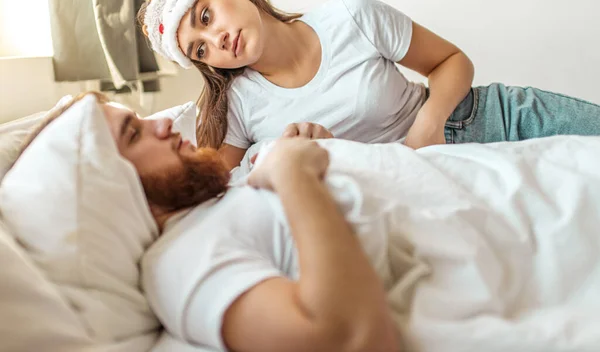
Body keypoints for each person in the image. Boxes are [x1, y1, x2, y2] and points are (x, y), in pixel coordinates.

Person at [17, 92, 600, 351]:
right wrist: (295, 175)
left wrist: (304, 152)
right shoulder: (178, 265)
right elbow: (348, 339)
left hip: (519, 178)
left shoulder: (218, 199)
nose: (166, 125)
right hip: (541, 228)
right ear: (106, 186)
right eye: (134, 133)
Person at [137, 0, 600, 170]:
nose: (216, 39)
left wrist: (426, 130)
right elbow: (218, 185)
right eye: (200, 51)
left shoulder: (350, 15)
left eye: (205, 16)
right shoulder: (239, 105)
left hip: (486, 119)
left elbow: (452, 62)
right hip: (416, 185)